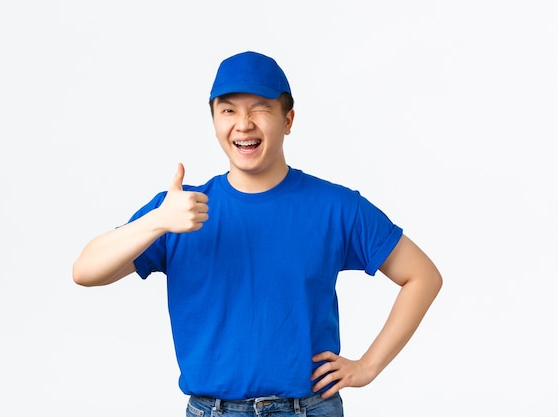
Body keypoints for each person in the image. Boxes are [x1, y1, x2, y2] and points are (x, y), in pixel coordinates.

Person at [73, 51, 442, 416]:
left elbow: (422, 276)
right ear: (214, 120)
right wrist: (154, 222)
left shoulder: (336, 207)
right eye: (228, 110)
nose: (244, 124)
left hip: (308, 408)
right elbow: (86, 271)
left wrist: (368, 366)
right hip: (211, 410)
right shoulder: (178, 210)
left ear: (288, 119)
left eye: (261, 108)